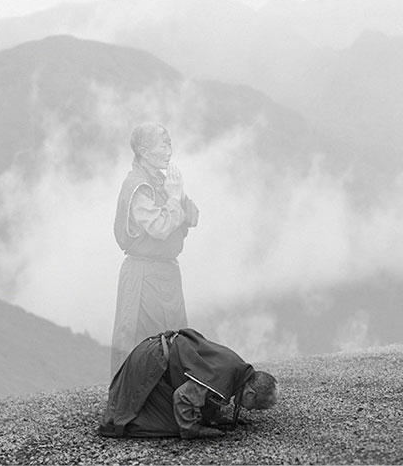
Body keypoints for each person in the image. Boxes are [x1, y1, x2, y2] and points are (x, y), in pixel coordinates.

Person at [110, 123, 200, 375]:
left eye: (170, 143)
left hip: (167, 273)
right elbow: (159, 228)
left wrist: (176, 194)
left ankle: (170, 400)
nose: (170, 150)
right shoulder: (137, 186)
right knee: (144, 341)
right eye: (164, 144)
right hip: (144, 275)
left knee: (175, 337)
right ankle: (138, 405)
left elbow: (193, 216)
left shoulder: (162, 182)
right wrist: (173, 200)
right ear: (143, 151)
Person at [98, 328, 279, 439]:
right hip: (152, 362)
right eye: (254, 407)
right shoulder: (223, 377)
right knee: (167, 425)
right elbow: (183, 396)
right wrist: (193, 429)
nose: (250, 410)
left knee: (188, 412)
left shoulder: (239, 369)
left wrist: (216, 417)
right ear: (250, 394)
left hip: (155, 350)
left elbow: (207, 389)